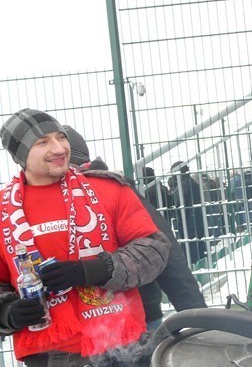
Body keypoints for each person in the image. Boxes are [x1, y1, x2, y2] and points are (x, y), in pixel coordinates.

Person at [0, 109, 171, 367]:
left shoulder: (107, 190)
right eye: (42, 142)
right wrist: (6, 314)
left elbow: (155, 250)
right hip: (48, 365)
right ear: (21, 155)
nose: (58, 148)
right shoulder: (2, 211)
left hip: (120, 353)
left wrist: (93, 270)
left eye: (60, 137)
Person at [63, 126, 207, 332]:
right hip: (69, 333)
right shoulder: (36, 204)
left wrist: (199, 318)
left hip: (135, 321)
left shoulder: (114, 191)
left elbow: (165, 252)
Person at [169, 161, 207, 265]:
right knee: (199, 251)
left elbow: (179, 207)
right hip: (197, 222)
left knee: (190, 253)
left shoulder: (181, 187)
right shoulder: (193, 183)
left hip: (187, 224)